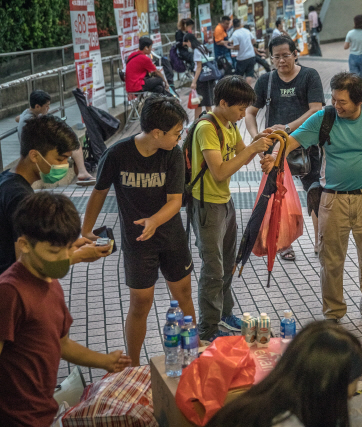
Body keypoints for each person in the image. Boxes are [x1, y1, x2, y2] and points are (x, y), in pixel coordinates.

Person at [261, 72, 362, 329]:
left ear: (360, 100)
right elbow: (291, 141)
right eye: (334, 99)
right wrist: (274, 156)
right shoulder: (324, 117)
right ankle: (333, 312)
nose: (336, 105)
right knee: (330, 260)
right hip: (332, 200)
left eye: (342, 102)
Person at [82, 95, 197, 366]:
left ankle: (191, 354)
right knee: (141, 302)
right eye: (176, 133)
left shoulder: (173, 154)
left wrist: (154, 220)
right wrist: (86, 231)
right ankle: (131, 364)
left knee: (183, 295)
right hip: (137, 242)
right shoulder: (117, 154)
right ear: (157, 132)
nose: (179, 138)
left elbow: (175, 201)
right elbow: (99, 193)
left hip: (171, 238)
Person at [0, 192, 131, 426]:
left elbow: (62, 344)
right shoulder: (9, 292)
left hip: (43, 412)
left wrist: (105, 361)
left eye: (68, 248)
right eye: (53, 252)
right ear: (24, 245)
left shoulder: (52, 282)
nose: (63, 258)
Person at [188, 76, 273, 341]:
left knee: (227, 262)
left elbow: (243, 152)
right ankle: (208, 329)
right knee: (213, 269)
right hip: (206, 205)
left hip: (225, 202)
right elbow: (221, 171)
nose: (242, 114)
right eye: (239, 108)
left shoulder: (228, 124)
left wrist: (262, 150)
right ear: (222, 103)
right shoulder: (207, 127)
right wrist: (253, 151)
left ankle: (225, 314)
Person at [0, 115, 112, 276]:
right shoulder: (20, 197)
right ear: (35, 156)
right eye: (60, 159)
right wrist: (77, 256)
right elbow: (26, 267)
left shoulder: (6, 179)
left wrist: (67, 248)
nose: (64, 165)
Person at [246, 36, 324, 262]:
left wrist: (288, 128)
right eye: (276, 56)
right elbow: (250, 112)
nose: (281, 61)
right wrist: (257, 138)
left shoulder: (309, 76)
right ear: (270, 58)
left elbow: (316, 109)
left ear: (295, 54)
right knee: (279, 196)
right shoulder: (266, 81)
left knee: (315, 192)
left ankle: (320, 242)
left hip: (307, 146)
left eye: (285, 55)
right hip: (276, 149)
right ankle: (283, 243)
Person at [207, 321, 362, 427]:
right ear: (324, 388)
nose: (346, 403)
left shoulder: (263, 400)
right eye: (345, 397)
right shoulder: (285, 422)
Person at [16, 90, 95, 186]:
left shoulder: (26, 113)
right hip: (36, 148)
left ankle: (81, 172)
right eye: (46, 106)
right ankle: (82, 172)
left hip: (33, 145)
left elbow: (17, 118)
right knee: (73, 144)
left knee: (71, 141)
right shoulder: (33, 121)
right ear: (37, 106)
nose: (48, 108)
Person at [183, 33, 215, 120]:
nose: (188, 46)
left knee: (199, 102)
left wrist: (194, 82)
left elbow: (199, 67)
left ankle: (200, 121)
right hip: (207, 76)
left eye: (187, 44)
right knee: (204, 102)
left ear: (189, 41)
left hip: (201, 78)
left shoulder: (197, 50)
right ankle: (204, 120)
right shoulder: (202, 47)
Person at [230, 18, 259, 85]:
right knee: (249, 74)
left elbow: (237, 47)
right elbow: (254, 41)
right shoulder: (247, 31)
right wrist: (248, 46)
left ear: (233, 26)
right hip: (251, 56)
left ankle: (239, 91)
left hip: (242, 58)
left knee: (239, 76)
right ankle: (247, 89)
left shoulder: (235, 34)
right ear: (240, 24)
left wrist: (230, 47)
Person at [344, 15, 362, 81]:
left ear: (355, 22)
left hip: (353, 56)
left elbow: (345, 47)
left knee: (353, 77)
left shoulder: (350, 33)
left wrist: (352, 44)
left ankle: (355, 90)